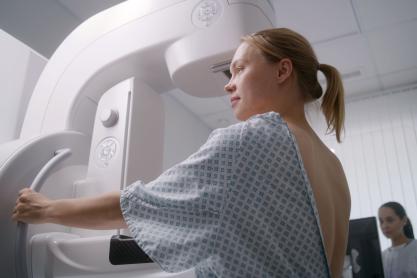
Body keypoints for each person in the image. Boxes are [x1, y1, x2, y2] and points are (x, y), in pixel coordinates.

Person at [13, 28, 350, 277]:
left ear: (282, 70)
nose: (228, 84)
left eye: (240, 69)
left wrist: (48, 208)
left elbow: (135, 206)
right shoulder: (333, 167)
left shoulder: (252, 140)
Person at [378, 201, 417, 277]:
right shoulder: (382, 256)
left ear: (404, 220)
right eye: (381, 221)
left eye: (390, 220)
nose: (384, 226)